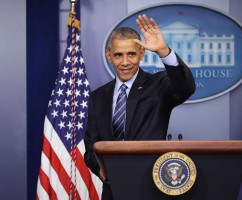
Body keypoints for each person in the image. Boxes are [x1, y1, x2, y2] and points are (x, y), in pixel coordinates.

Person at [84, 14, 195, 199]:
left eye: (131, 54)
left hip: (151, 187)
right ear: (109, 56)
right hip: (113, 189)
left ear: (141, 54)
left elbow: (185, 88)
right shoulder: (97, 97)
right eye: (118, 55)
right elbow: (91, 145)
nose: (125, 62)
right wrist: (100, 169)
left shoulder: (158, 85)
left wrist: (164, 52)